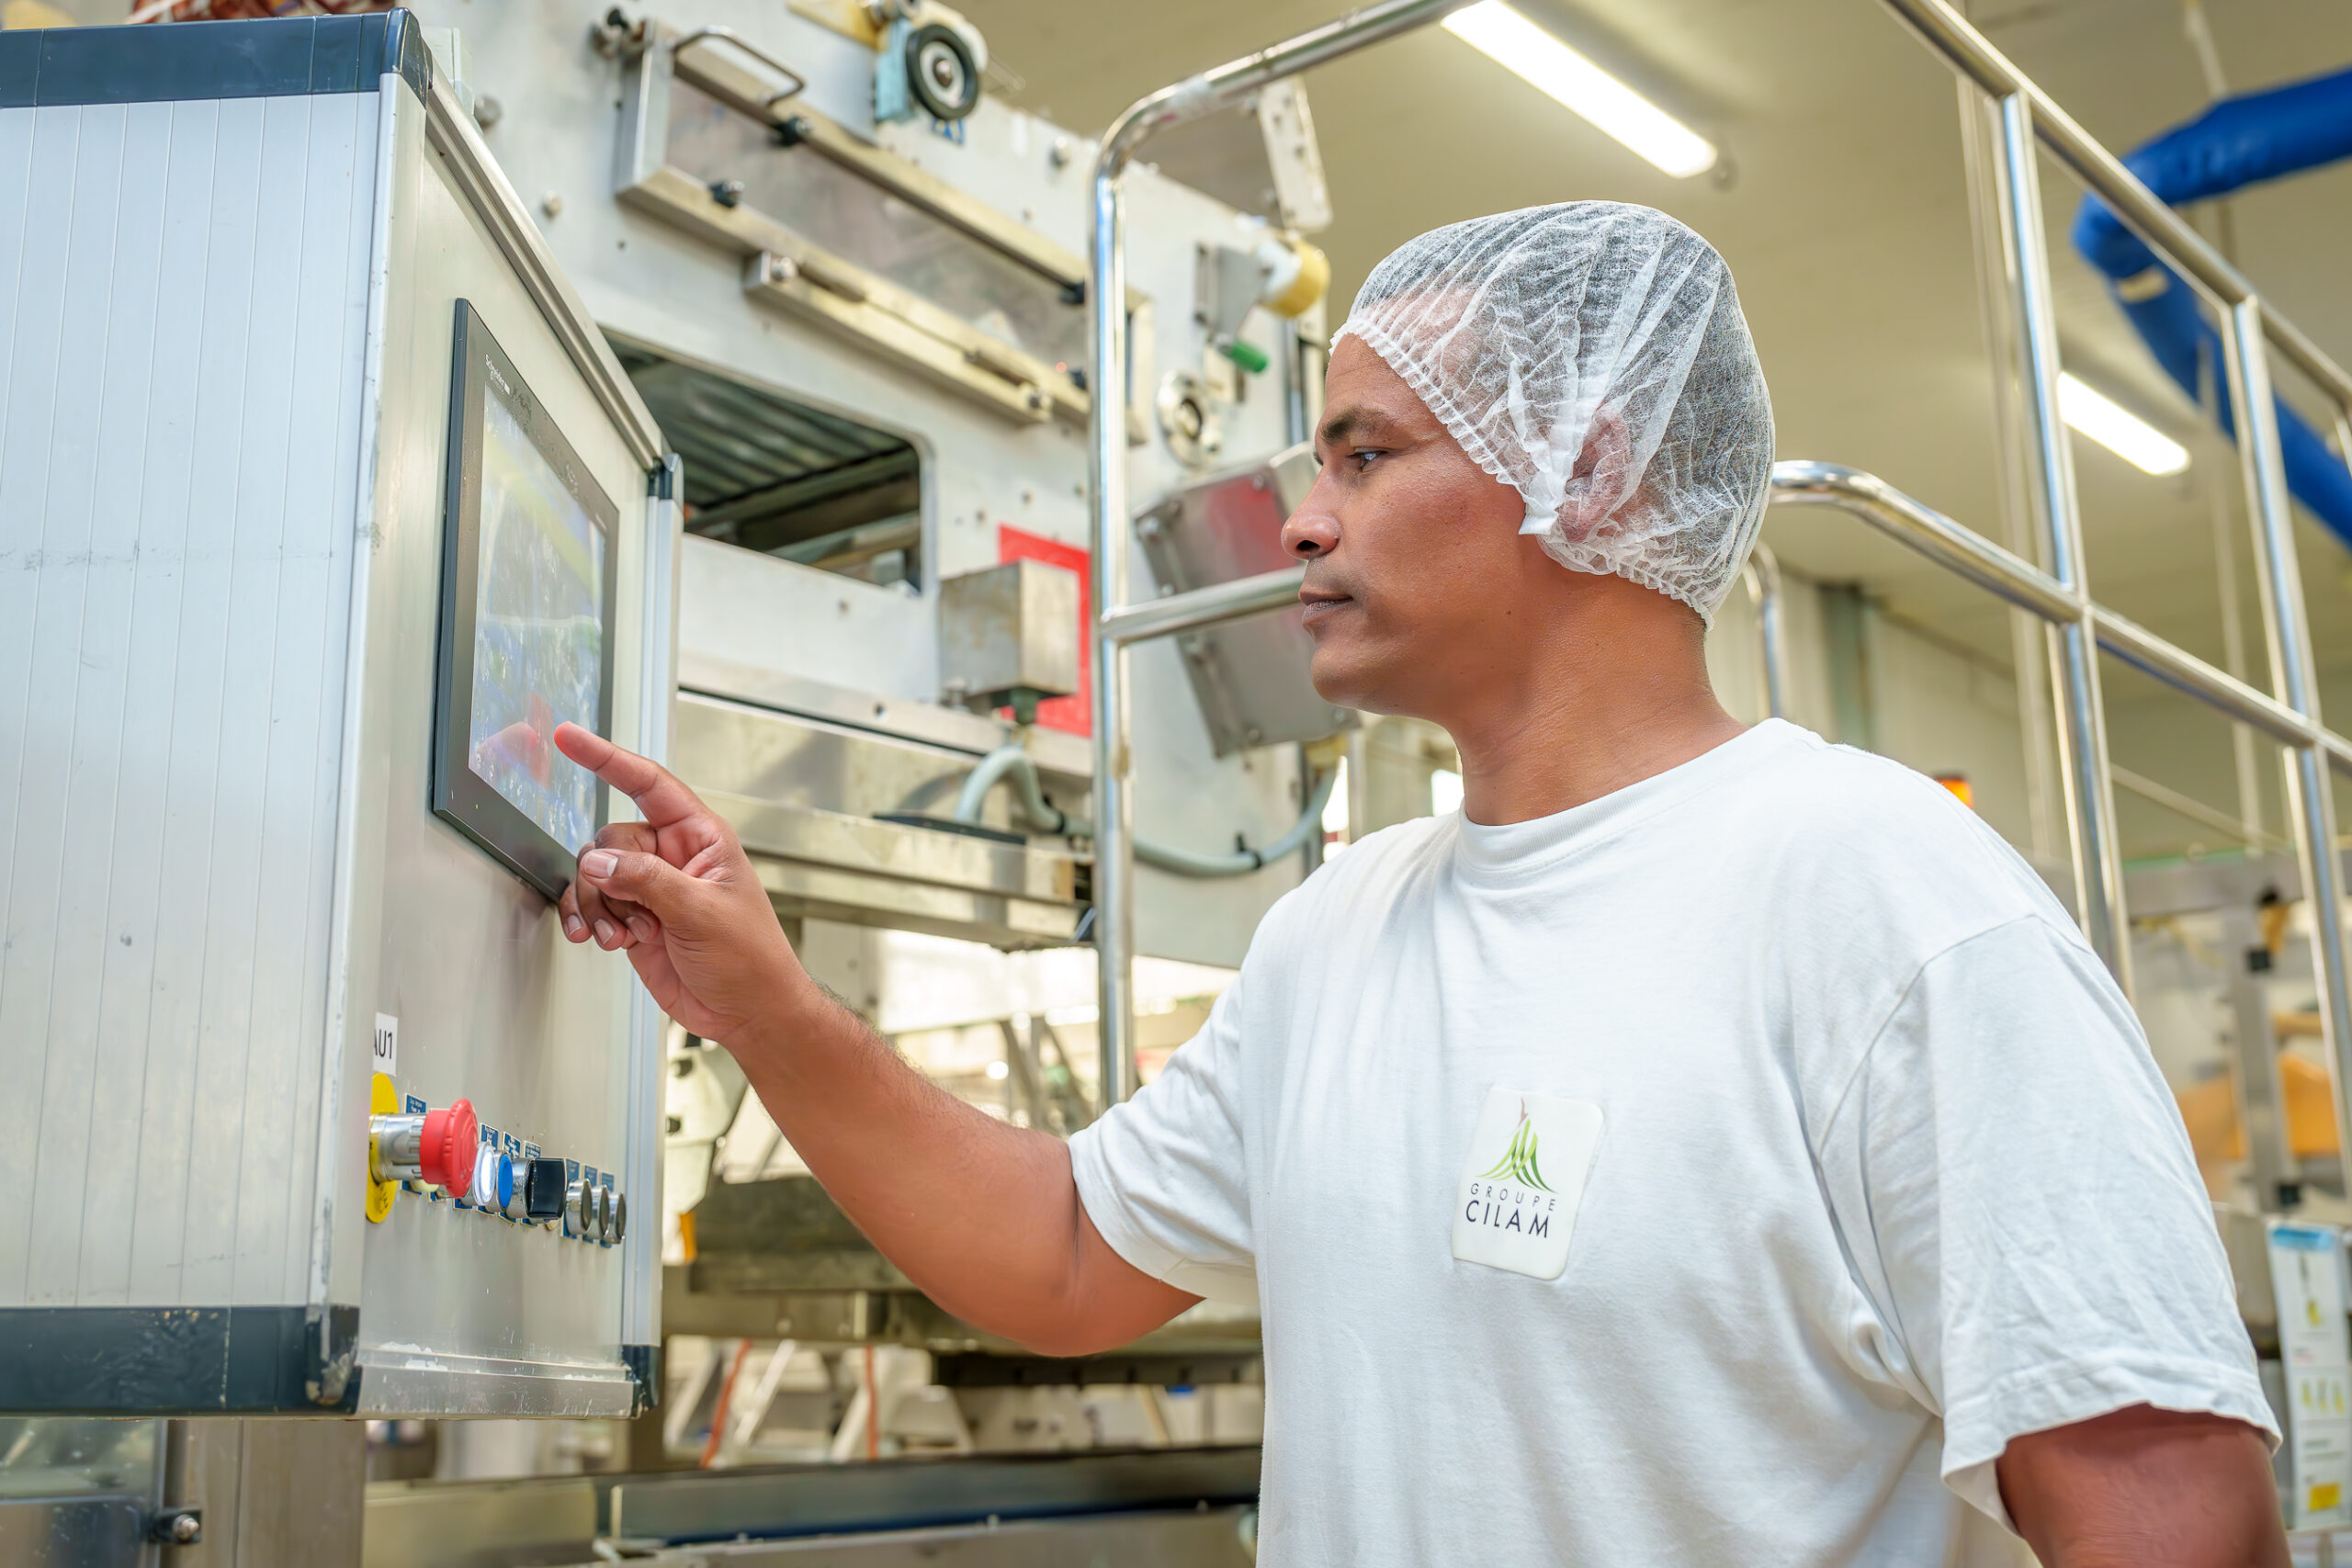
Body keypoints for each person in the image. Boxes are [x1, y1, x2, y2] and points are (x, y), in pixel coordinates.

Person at [553, 203, 2283, 1566]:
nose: (1303, 522)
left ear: (1587, 467)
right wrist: (768, 1010)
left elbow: (2164, 1511)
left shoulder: (1885, 901)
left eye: (1365, 456)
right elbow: (1067, 1254)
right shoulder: (1340, 928)